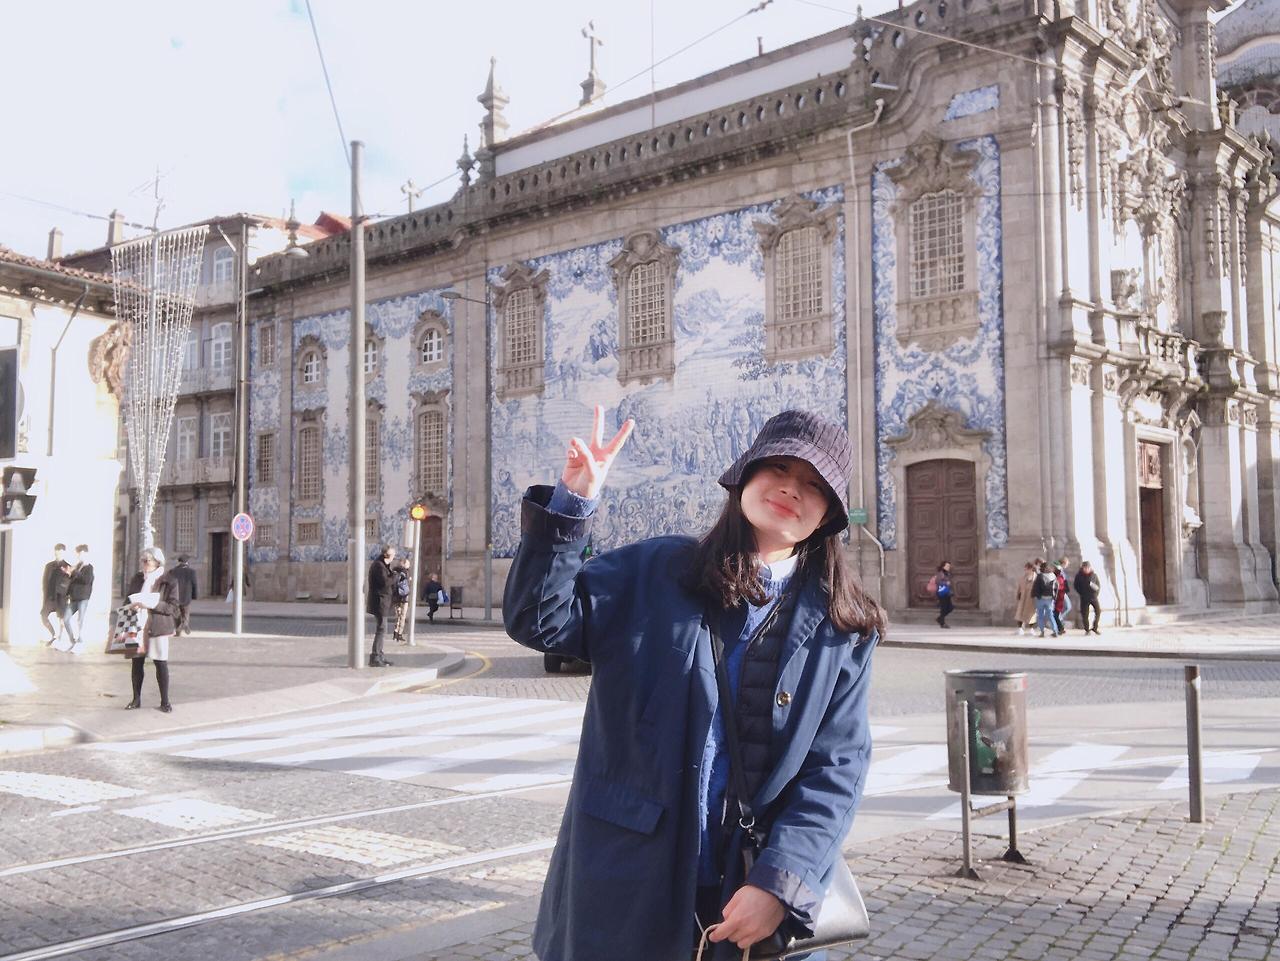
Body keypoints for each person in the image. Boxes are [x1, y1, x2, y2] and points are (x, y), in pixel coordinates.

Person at [504, 406, 883, 961]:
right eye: (779, 468)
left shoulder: (842, 628)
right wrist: (573, 503)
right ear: (745, 475)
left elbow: (836, 769)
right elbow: (539, 619)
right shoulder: (655, 572)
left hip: (748, 893)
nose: (791, 489)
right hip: (628, 879)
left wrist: (781, 884)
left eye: (814, 484)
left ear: (828, 515)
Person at [123, 546, 179, 712]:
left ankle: (165, 701)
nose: (143, 564)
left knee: (160, 663)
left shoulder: (169, 580)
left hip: (158, 626)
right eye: (142, 560)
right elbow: (127, 599)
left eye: (147, 561)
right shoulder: (137, 578)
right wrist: (130, 606)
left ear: (157, 562)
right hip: (137, 625)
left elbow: (173, 607)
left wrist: (153, 604)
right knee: (136, 663)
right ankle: (136, 699)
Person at [366, 545, 396, 666]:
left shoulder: (383, 565)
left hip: (383, 602)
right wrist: (395, 576)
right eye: (393, 555)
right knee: (381, 629)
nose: (394, 557)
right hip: (379, 602)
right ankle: (375, 657)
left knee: (382, 629)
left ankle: (380, 655)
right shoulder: (379, 566)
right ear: (387, 555)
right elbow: (385, 582)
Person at [61, 545, 94, 653]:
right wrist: (69, 573)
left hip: (83, 597)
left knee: (80, 620)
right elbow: (73, 580)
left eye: (81, 554)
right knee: (66, 619)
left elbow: (86, 580)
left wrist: (74, 572)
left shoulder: (89, 567)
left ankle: (80, 643)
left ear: (86, 554)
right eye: (78, 554)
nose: (79, 556)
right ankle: (72, 641)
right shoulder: (78, 566)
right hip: (74, 597)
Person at [40, 543, 67, 645]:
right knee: (43, 615)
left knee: (61, 619)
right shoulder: (49, 566)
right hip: (50, 597)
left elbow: (68, 582)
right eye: (56, 552)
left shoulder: (67, 566)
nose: (58, 554)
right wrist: (45, 595)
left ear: (63, 553)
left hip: (61, 597)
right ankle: (54, 635)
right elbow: (44, 581)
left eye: (60, 552)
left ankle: (60, 639)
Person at [48, 561, 74, 651]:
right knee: (61, 620)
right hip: (60, 600)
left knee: (63, 620)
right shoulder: (63, 576)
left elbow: (65, 589)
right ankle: (60, 638)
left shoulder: (69, 577)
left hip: (64, 600)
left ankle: (64, 638)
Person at [170, 555, 198, 636]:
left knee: (176, 614)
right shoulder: (192, 572)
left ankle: (178, 631)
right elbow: (194, 584)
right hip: (186, 596)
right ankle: (185, 623)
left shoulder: (173, 571)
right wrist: (194, 596)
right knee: (185, 612)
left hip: (175, 596)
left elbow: (170, 584)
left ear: (178, 562)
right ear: (187, 562)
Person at [1031, 559, 1059, 638]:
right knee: (1050, 615)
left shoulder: (1040, 576)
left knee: (1040, 615)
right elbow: (1056, 587)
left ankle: (1042, 631)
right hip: (1050, 599)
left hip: (1041, 598)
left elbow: (1036, 587)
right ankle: (1055, 631)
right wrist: (1054, 597)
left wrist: (1033, 595)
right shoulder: (1053, 576)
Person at [1074, 561, 1102, 635]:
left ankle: (1095, 628)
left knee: (1098, 612)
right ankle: (1087, 629)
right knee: (1085, 614)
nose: (1087, 569)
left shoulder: (1094, 575)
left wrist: (1096, 594)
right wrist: (1081, 593)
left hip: (1093, 597)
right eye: (1085, 568)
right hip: (1084, 597)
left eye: (1088, 568)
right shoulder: (1079, 576)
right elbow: (1076, 586)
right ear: (1082, 568)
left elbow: (1098, 585)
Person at [1013, 561, 1036, 636]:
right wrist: (1018, 595)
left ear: (1031, 569)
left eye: (1026, 569)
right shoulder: (1023, 577)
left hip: (1031, 599)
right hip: (1023, 598)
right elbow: (1019, 587)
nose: (1025, 570)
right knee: (1020, 613)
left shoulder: (1036, 578)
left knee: (1031, 614)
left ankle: (1031, 629)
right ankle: (1020, 628)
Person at [928, 561, 954, 629]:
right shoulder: (940, 573)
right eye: (947, 566)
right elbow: (938, 581)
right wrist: (946, 583)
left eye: (949, 566)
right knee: (944, 608)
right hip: (941, 592)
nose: (948, 567)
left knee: (950, 608)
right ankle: (942, 623)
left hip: (946, 592)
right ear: (943, 566)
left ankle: (939, 619)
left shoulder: (947, 573)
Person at [392, 557, 412, 643]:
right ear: (403, 563)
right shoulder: (405, 572)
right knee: (403, 615)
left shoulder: (394, 571)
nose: (409, 565)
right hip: (404, 596)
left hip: (396, 596)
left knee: (398, 615)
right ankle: (399, 634)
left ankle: (396, 632)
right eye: (408, 563)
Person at [1052, 560, 1071, 635]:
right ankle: (1059, 629)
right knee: (1055, 614)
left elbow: (1060, 587)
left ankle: (1060, 628)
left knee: (1055, 614)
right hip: (1058, 596)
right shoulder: (1058, 575)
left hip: (1059, 596)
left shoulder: (1059, 576)